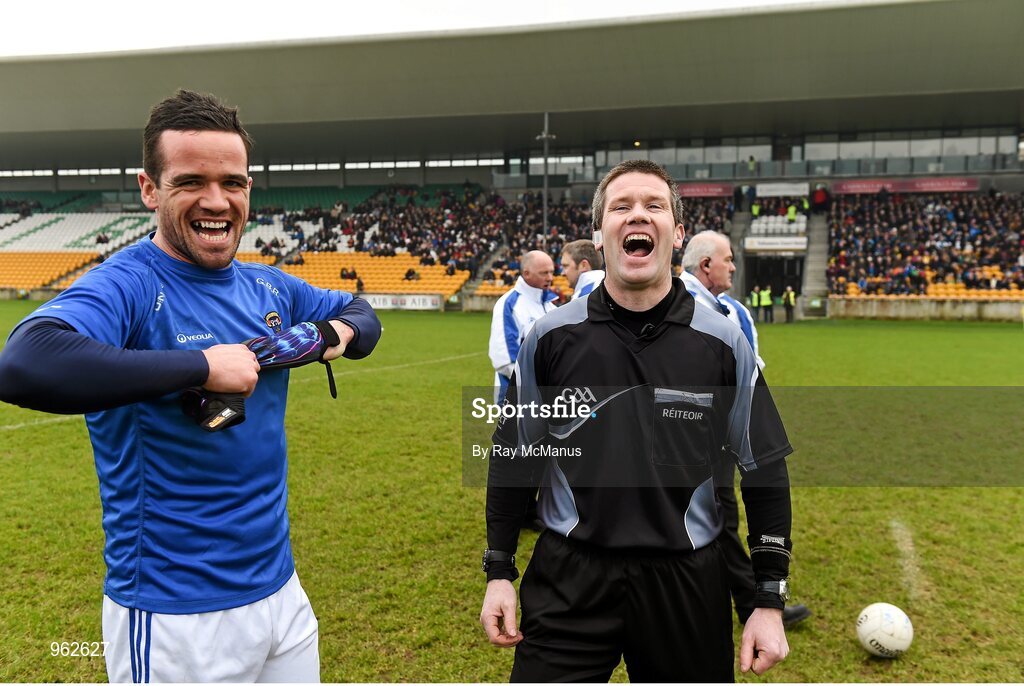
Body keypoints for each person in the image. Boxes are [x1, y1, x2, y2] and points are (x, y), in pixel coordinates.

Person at [0, 89, 382, 683]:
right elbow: (25, 361)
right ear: (149, 189)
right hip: (175, 615)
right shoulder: (126, 284)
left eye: (234, 182)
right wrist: (201, 366)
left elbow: (364, 317)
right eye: (190, 182)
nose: (216, 201)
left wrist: (311, 341)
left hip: (281, 594)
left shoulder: (269, 287)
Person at [480, 160, 795, 682]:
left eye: (654, 205)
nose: (636, 216)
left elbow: (763, 469)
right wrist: (498, 570)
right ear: (600, 236)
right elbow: (514, 454)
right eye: (620, 207)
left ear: (677, 233)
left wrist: (768, 598)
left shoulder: (723, 342)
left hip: (686, 581)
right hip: (569, 578)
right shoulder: (550, 338)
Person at [680, 231, 811, 629]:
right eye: (728, 259)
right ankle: (747, 601)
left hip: (719, 441)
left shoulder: (730, 311)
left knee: (723, 518)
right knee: (715, 519)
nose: (734, 267)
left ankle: (747, 599)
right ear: (706, 265)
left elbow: (750, 377)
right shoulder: (674, 303)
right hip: (686, 444)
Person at [487, 250, 557, 406]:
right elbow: (505, 360)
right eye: (544, 273)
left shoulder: (550, 306)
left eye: (552, 272)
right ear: (526, 273)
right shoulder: (509, 305)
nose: (550, 278)